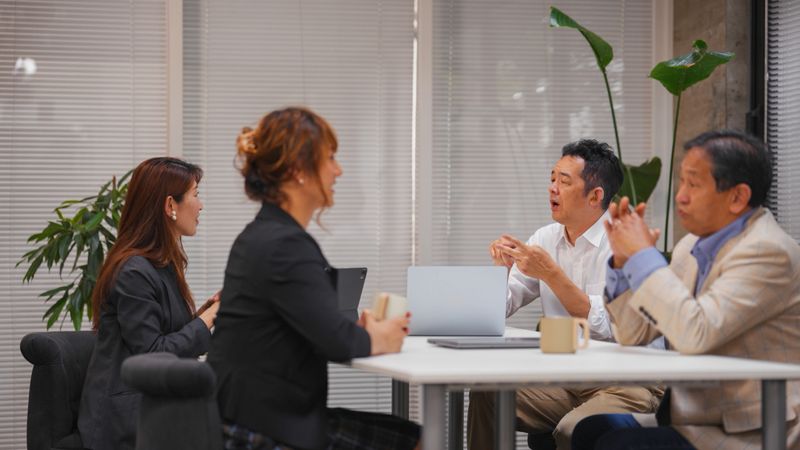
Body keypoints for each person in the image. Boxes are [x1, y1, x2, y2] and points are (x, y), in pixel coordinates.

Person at [207, 107, 421, 450]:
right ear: (298, 171)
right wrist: (382, 337)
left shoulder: (262, 235)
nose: (338, 170)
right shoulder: (285, 244)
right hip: (265, 430)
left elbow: (314, 326)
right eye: (330, 158)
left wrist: (359, 331)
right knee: (420, 441)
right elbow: (338, 342)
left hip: (240, 416)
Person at [571, 130, 800, 449]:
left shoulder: (768, 251)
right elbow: (632, 334)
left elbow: (696, 332)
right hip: (693, 415)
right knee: (589, 430)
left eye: (694, 184)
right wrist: (624, 266)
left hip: (747, 428)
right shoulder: (690, 245)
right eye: (682, 182)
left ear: (737, 197)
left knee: (617, 445)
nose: (680, 195)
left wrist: (643, 258)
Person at [467, 140, 662, 450]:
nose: (553, 188)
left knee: (573, 429)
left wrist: (552, 274)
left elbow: (612, 326)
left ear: (595, 196)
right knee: (489, 393)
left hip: (628, 383)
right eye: (552, 178)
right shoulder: (546, 238)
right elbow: (499, 309)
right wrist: (500, 271)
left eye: (564, 181)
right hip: (568, 379)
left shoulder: (624, 243)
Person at [78, 157, 220, 450]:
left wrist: (205, 315)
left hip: (152, 407)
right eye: (195, 194)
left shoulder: (158, 265)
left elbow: (166, 335)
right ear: (170, 205)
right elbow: (153, 355)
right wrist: (206, 321)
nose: (201, 205)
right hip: (123, 421)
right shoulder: (133, 271)